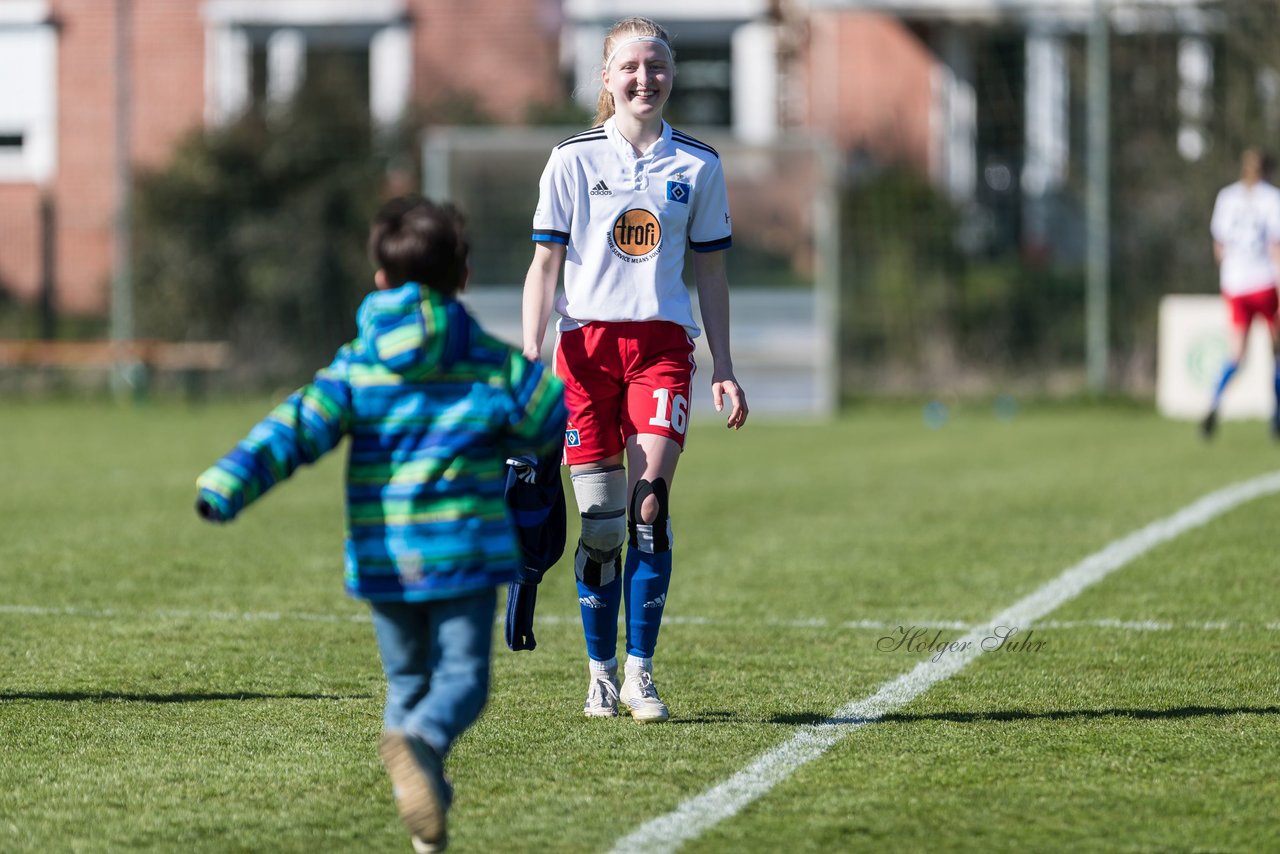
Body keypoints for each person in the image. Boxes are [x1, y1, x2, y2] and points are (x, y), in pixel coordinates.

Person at [195, 195, 566, 853]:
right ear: (463, 278)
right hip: (464, 555)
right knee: (460, 683)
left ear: (381, 280)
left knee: (406, 682)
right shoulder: (482, 357)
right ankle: (421, 746)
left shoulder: (358, 364)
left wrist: (229, 481)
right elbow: (544, 415)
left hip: (386, 557)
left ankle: (424, 822)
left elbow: (296, 426)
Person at [521, 16, 748, 723]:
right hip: (585, 357)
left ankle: (641, 674)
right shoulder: (571, 158)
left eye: (657, 67)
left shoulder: (699, 165)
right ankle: (598, 673)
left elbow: (710, 274)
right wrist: (532, 356)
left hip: (660, 353)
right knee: (602, 526)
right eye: (631, 67)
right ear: (606, 78)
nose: (644, 79)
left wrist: (725, 365)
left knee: (650, 507)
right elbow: (545, 265)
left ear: (671, 75)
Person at [1202, 146, 1280, 439]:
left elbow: (1219, 247)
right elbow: (1276, 248)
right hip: (1265, 284)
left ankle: (1213, 402)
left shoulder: (1227, 197)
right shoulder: (1273, 198)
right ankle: (1277, 415)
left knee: (1236, 354)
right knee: (1277, 353)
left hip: (1235, 285)